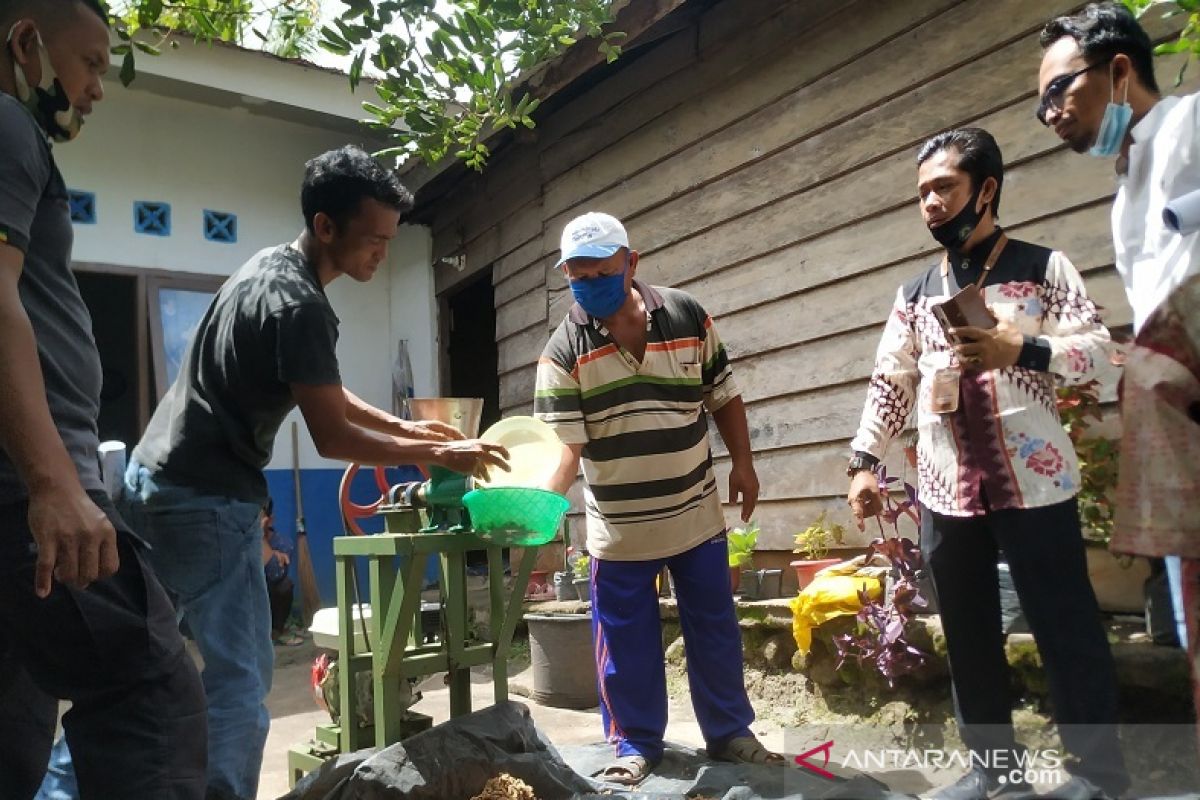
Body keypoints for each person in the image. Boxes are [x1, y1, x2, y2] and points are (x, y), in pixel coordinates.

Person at [99, 146, 507, 800]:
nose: (381, 252)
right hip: (207, 501)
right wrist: (443, 455)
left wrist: (412, 430)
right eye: (373, 239)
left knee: (128, 667)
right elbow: (332, 432)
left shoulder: (266, 268)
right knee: (239, 682)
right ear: (326, 226)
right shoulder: (302, 307)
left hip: (154, 485)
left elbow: (328, 392)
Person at [847, 128, 1128, 800]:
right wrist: (864, 461)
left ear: (988, 188)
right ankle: (995, 776)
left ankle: (1099, 777)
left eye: (943, 187)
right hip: (946, 488)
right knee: (969, 636)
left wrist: (1022, 349)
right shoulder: (915, 291)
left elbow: (1099, 353)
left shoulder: (1043, 267)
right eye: (922, 194)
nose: (931, 204)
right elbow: (892, 379)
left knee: (1067, 630)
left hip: (1037, 485)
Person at [0, 1, 207, 798]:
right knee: (149, 688)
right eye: (88, 63)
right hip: (26, 492)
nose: (97, 88)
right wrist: (53, 483)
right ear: (26, 45)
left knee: (14, 732)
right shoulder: (9, 128)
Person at [535, 211, 779, 787]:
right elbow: (564, 450)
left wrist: (743, 463)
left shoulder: (688, 316)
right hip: (619, 531)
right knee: (624, 642)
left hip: (695, 513)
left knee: (715, 626)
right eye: (577, 274)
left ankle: (730, 733)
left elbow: (723, 394)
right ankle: (635, 743)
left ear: (631, 264)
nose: (589, 282)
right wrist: (542, 511)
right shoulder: (562, 351)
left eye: (601, 270)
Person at [1039, 1, 1200, 738]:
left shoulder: (1191, 126)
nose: (1048, 114)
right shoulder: (1123, 189)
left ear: (1121, 70)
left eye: (1059, 91)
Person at [260, 498, 302, 646]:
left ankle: (276, 631)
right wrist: (273, 554)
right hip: (249, 597)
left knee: (285, 585)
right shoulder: (242, 541)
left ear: (269, 521)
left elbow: (274, 574)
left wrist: (261, 539)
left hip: (269, 594)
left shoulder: (283, 543)